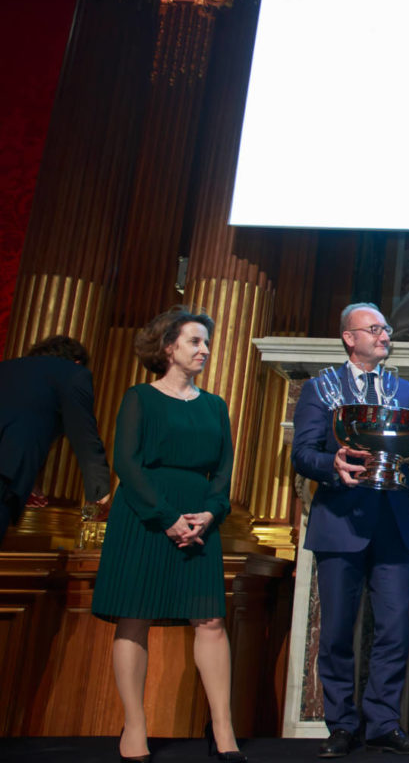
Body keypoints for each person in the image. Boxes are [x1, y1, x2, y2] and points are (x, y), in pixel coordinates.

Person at [91, 307, 244, 762]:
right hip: (144, 516)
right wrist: (166, 517)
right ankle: (135, 727)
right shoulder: (139, 397)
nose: (205, 349)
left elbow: (223, 472)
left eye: (206, 342)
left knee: (211, 621)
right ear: (167, 347)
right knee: (134, 617)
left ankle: (223, 730)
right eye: (195, 341)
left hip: (199, 520)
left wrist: (210, 513)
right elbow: (127, 463)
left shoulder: (215, 406)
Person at [291, 303, 409, 757]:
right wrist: (331, 464)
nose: (384, 335)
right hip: (339, 524)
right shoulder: (320, 389)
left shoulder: (407, 391)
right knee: (336, 633)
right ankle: (341, 726)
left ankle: (383, 724)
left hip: (392, 524)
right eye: (373, 329)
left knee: (394, 630)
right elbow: (302, 454)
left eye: (386, 328)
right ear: (349, 338)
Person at [0, 335, 111, 546]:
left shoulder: (6, 368)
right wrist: (99, 489)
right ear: (77, 361)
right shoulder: (73, 373)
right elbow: (83, 433)